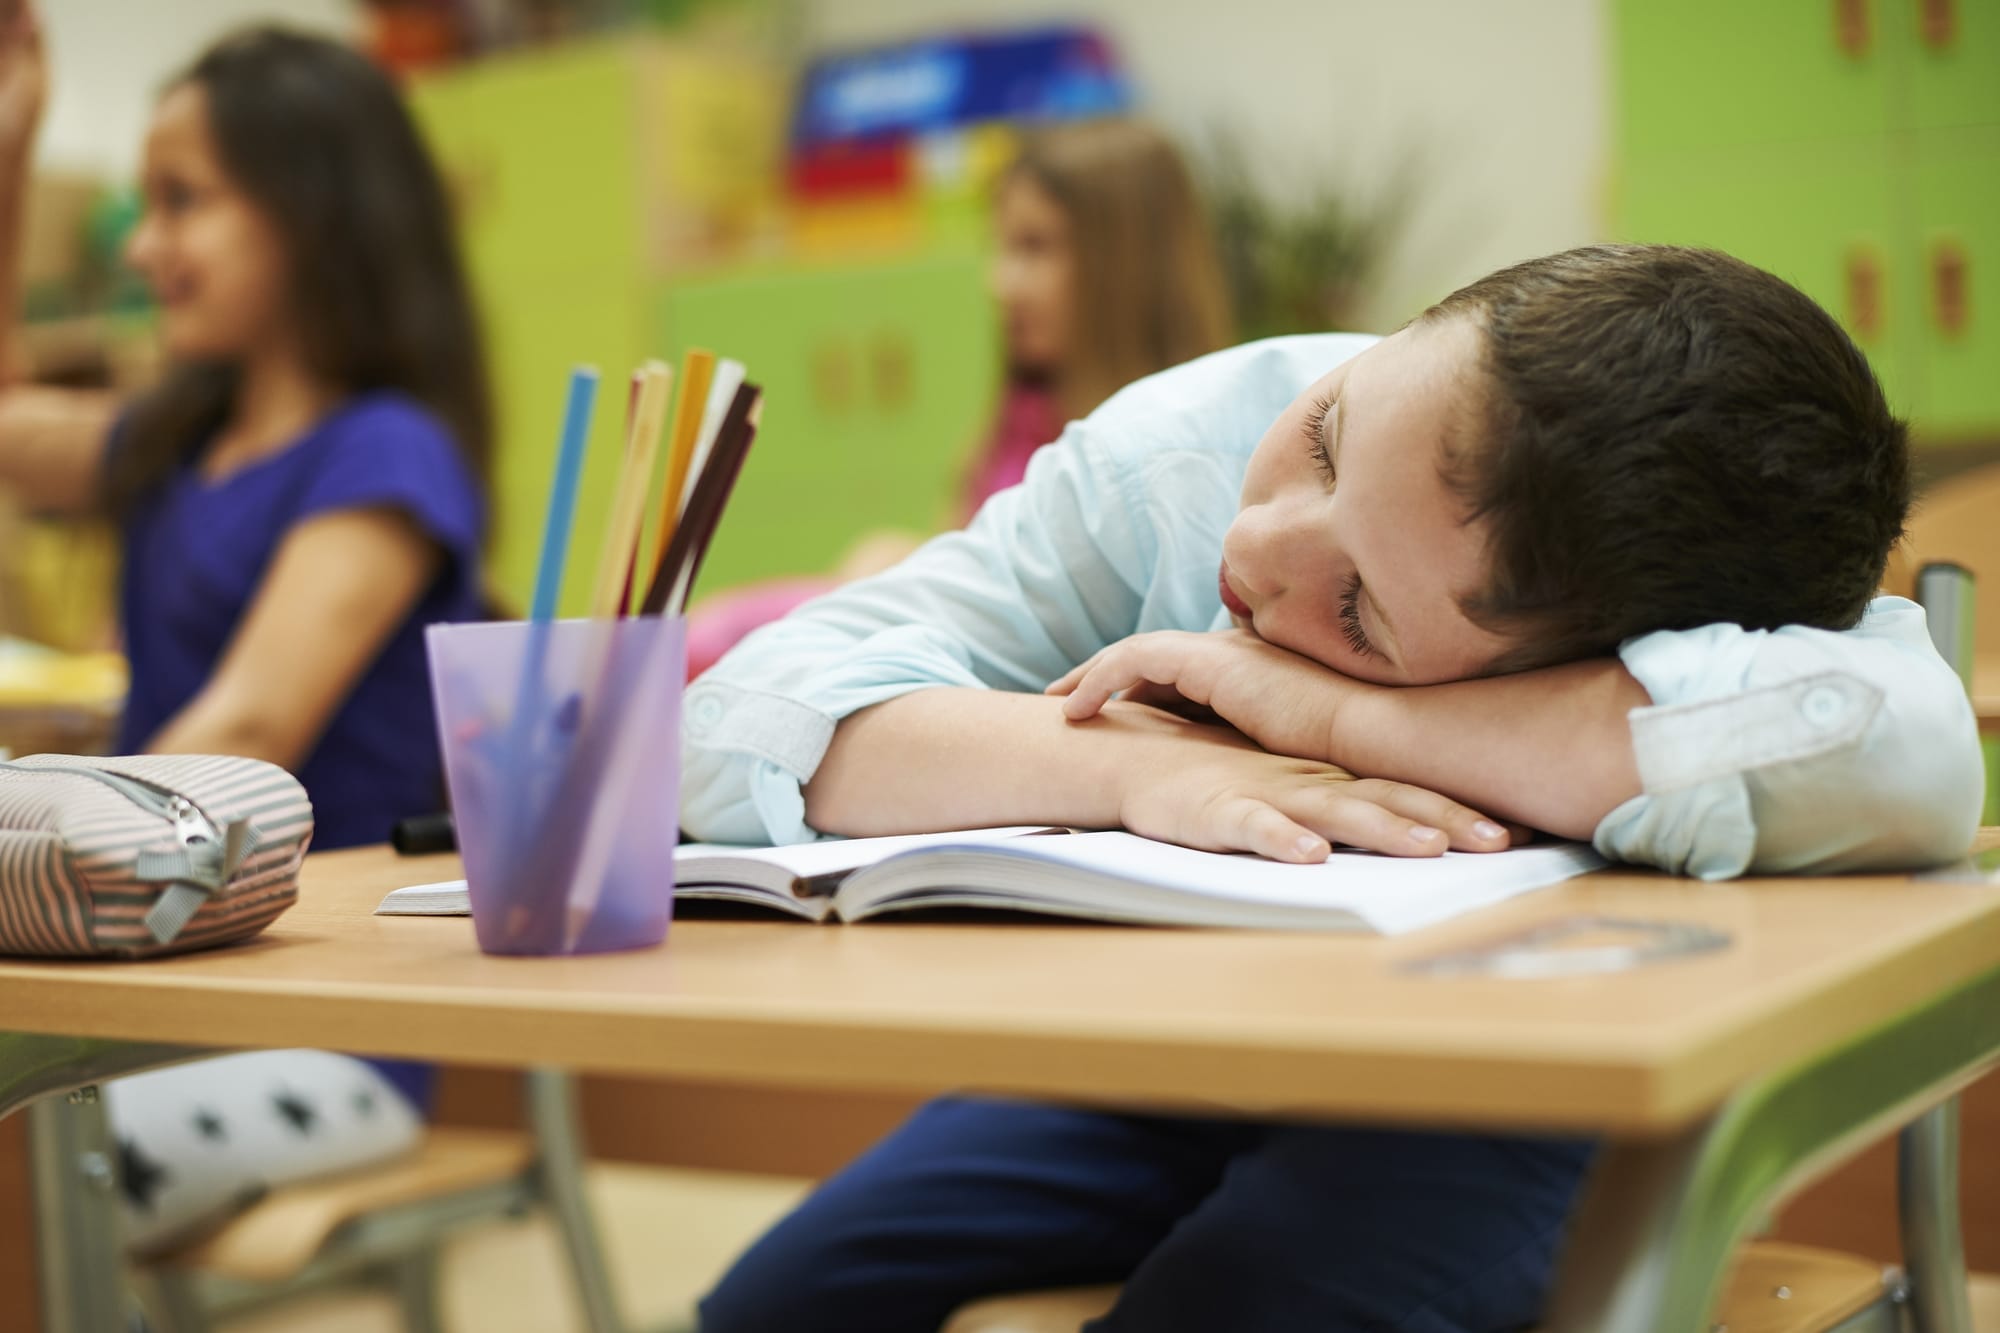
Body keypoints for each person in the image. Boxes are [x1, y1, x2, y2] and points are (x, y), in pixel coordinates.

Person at [683, 244, 1981, 1331]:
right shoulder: (1192, 446)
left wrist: (1322, 709)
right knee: (784, 1303)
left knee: (1238, 1304)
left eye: (1360, 605)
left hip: (1516, 1091)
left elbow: (1914, 755)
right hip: (1178, 1050)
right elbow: (732, 723)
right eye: (1326, 437)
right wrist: (1134, 770)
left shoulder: (1715, 596)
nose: (1260, 547)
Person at [0, 11, 487, 1249]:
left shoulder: (385, 452)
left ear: (310, 213)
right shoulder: (168, 444)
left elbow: (242, 730)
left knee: (21, 1188)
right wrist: (12, 150)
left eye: (182, 203)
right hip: (138, 985)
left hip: (322, 1028)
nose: (146, 245)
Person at [683, 117, 1232, 677]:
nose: (1000, 283)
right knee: (705, 636)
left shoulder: (1185, 467)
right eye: (1003, 248)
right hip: (945, 646)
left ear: (1125, 265)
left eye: (1035, 248)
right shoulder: (1026, 410)